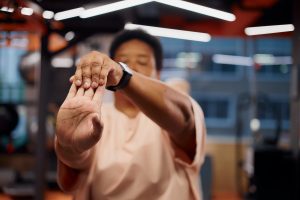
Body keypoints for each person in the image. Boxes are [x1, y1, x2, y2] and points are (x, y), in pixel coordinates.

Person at [55, 29, 206, 200]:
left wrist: (124, 75)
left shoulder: (169, 114)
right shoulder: (94, 118)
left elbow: (185, 119)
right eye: (123, 61)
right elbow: (69, 182)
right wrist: (69, 147)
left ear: (158, 72)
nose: (132, 67)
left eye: (142, 62)